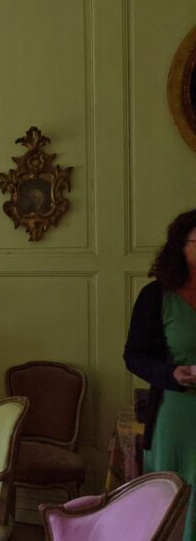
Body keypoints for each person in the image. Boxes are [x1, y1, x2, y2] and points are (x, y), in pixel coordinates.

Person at [124, 208, 196, 540]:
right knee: (175, 503)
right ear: (180, 247)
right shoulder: (156, 296)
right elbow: (134, 356)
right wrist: (171, 374)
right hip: (177, 414)